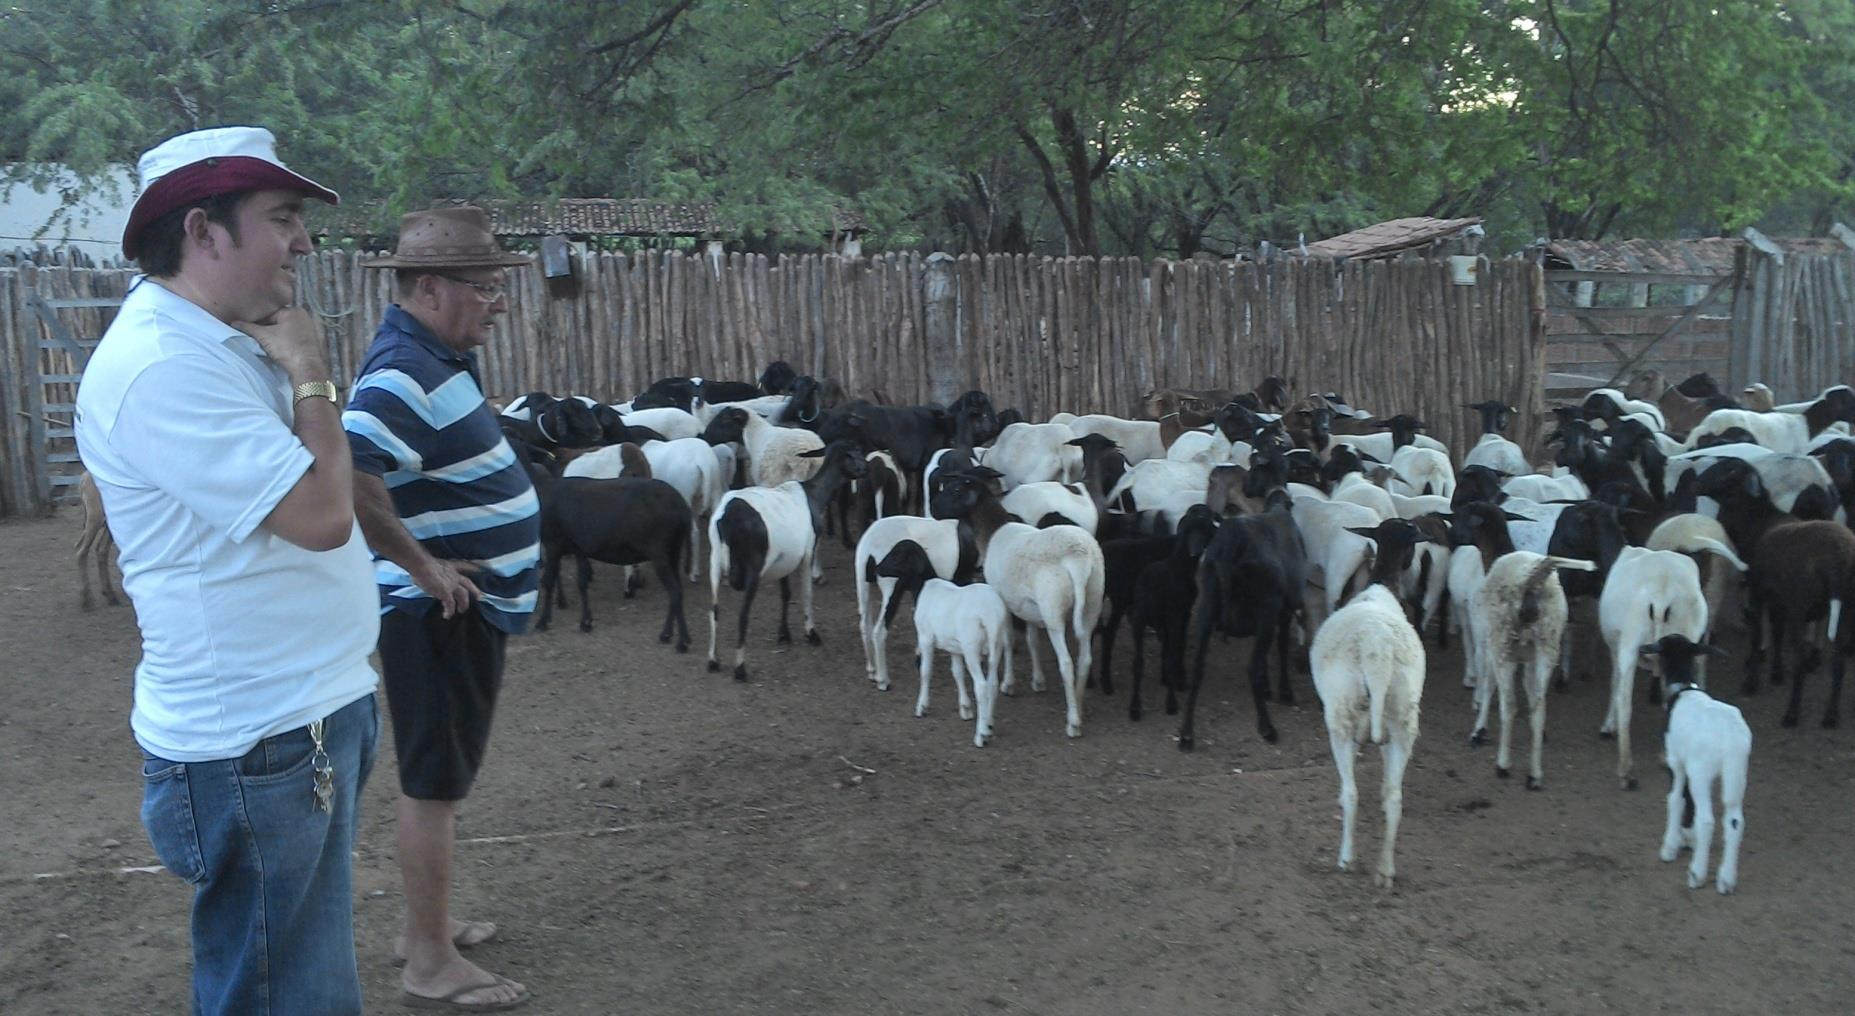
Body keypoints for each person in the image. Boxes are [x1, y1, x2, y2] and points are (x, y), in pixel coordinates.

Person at [74, 126, 381, 1015]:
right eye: (283, 217)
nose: (305, 241)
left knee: (304, 975)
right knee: (283, 992)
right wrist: (315, 376)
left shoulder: (219, 343)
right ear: (204, 231)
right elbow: (324, 513)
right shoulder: (163, 366)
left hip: (298, 723)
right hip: (259, 745)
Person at [343, 206, 539, 1011]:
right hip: (436, 614)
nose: (498, 301)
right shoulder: (398, 373)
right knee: (433, 784)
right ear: (430, 287)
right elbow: (349, 471)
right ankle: (427, 960)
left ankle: (428, 924)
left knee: (441, 777)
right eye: (485, 287)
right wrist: (421, 566)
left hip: (460, 608)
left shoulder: (437, 356)